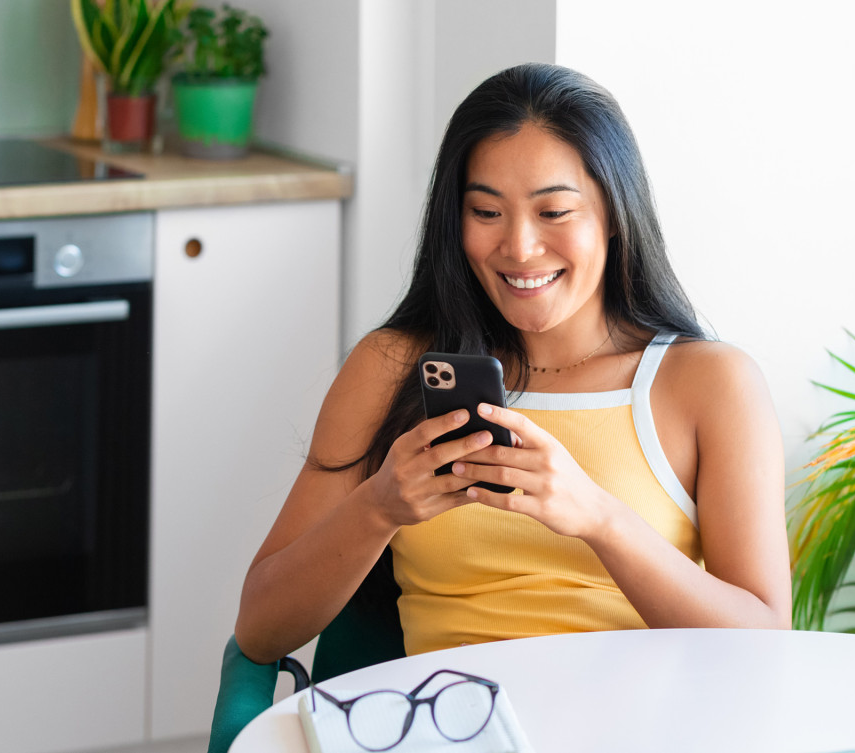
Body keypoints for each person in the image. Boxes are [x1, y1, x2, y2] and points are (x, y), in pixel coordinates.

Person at [235, 63, 791, 663]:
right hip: (451, 722)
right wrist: (379, 508)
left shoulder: (711, 383)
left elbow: (765, 645)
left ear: (614, 215)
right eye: (486, 212)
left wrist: (599, 517)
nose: (520, 248)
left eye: (554, 212)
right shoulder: (391, 367)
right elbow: (260, 630)